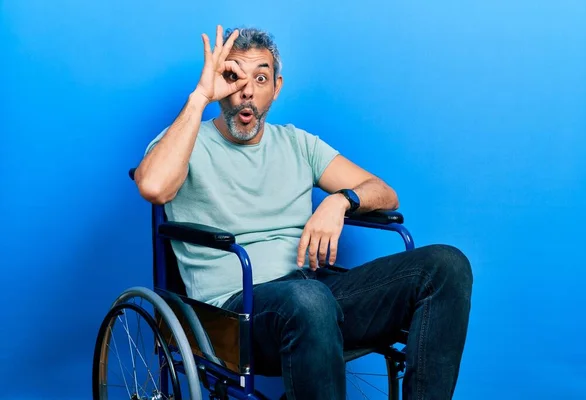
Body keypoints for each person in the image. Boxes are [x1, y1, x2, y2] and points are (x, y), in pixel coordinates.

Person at [134, 25, 473, 400]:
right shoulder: (185, 141)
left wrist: (340, 201)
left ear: (276, 88)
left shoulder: (298, 143)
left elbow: (384, 193)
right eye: (233, 77)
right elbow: (153, 186)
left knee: (447, 265)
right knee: (309, 299)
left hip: (315, 295)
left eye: (260, 78)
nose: (246, 91)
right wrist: (200, 97)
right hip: (238, 312)